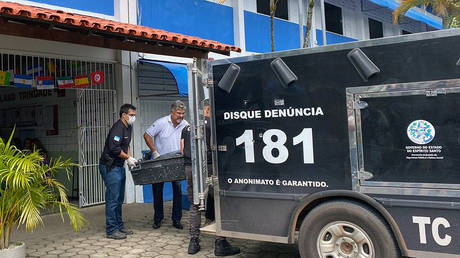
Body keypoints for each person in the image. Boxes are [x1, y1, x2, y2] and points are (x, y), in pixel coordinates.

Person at [181, 99, 240, 256]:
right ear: (208, 110)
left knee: (195, 204)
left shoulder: (187, 127)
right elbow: (217, 147)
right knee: (219, 202)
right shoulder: (212, 125)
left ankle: (193, 242)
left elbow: (181, 149)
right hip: (209, 167)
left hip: (190, 168)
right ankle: (220, 243)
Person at [143, 100, 188, 230]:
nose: (181, 116)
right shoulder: (161, 122)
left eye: (183, 113)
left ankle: (176, 219)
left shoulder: (185, 124)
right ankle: (158, 219)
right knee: (157, 191)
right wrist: (154, 151)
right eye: (178, 113)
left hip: (176, 161)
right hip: (160, 161)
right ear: (172, 112)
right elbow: (147, 135)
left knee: (178, 190)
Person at [99, 104, 138, 240]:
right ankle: (111, 230)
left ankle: (119, 226)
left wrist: (129, 159)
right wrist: (128, 158)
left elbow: (125, 146)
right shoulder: (118, 128)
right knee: (113, 199)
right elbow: (114, 148)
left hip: (119, 166)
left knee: (119, 199)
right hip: (110, 166)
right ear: (124, 115)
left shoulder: (129, 127)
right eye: (131, 115)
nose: (133, 117)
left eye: (134, 115)